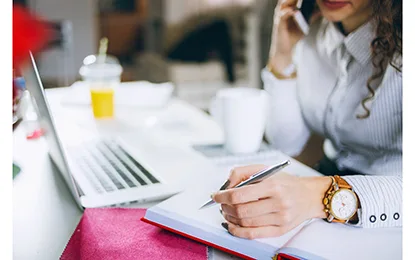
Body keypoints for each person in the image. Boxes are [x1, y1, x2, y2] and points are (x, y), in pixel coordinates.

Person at [211, 0, 402, 239]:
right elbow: (287, 142)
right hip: (329, 206)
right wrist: (282, 54)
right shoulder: (311, 31)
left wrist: (317, 195)